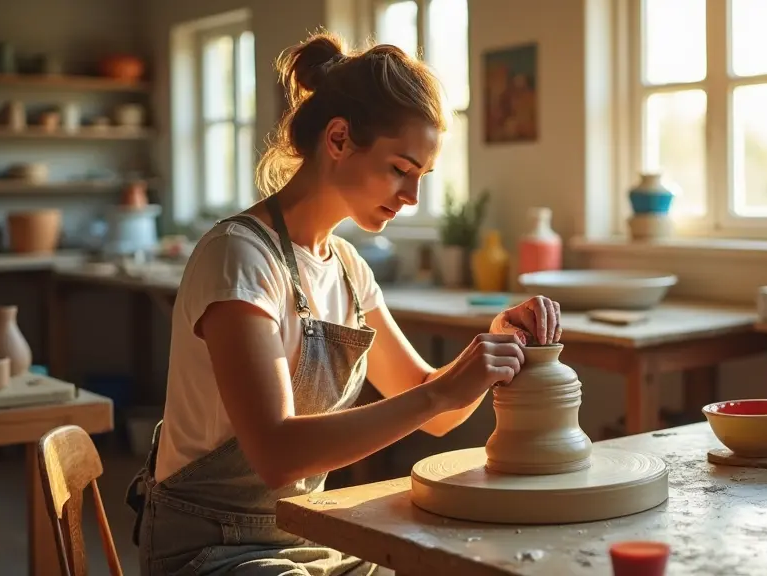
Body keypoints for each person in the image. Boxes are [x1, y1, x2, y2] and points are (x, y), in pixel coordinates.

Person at [126, 32, 563, 576]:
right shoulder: (238, 257)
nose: (412, 197)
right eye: (400, 168)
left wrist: (497, 344)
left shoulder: (349, 269)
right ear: (338, 139)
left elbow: (437, 411)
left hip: (307, 531)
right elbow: (277, 453)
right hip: (210, 548)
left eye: (421, 177)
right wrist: (442, 391)